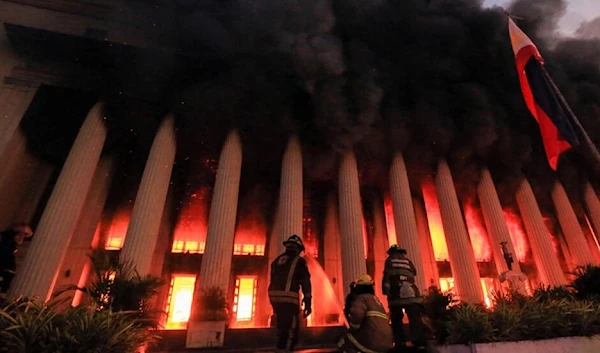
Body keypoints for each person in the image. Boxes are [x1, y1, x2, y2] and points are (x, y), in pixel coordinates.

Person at [268, 235, 312, 353]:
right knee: (291, 328)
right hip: (289, 298)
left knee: (282, 324)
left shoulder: (276, 261)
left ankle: (280, 346)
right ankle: (285, 349)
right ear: (298, 249)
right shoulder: (299, 261)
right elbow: (305, 282)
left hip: (274, 297)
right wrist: (308, 302)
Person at [383, 245, 427, 350]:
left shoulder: (389, 261)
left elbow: (387, 277)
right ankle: (419, 341)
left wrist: (386, 291)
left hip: (397, 294)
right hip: (412, 294)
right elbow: (414, 272)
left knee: (396, 318)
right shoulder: (407, 261)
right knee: (415, 318)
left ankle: (400, 342)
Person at [338, 274, 393, 353]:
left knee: (344, 341)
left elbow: (356, 314)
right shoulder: (376, 300)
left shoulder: (361, 299)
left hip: (372, 342)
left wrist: (353, 328)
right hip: (387, 342)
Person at [0, 223, 33, 293]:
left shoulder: (10, 255)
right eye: (19, 233)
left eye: (24, 235)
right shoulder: (4, 250)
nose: (21, 237)